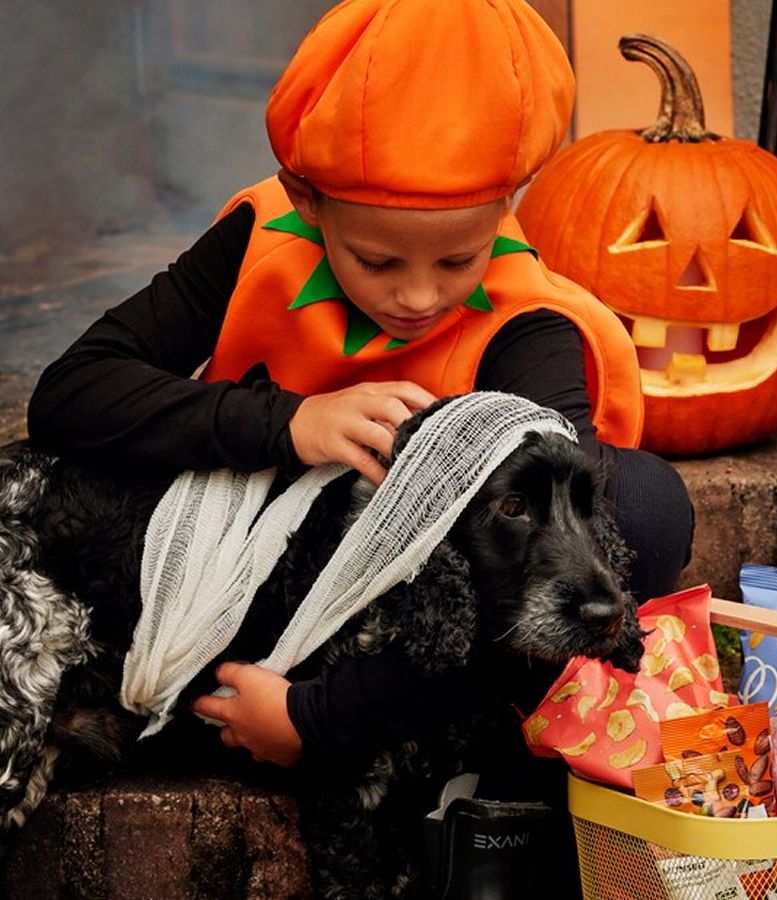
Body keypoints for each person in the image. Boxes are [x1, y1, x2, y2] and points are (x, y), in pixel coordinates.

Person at [26, 0, 693, 771]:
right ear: (308, 200)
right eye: (377, 261)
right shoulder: (262, 237)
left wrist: (319, 718)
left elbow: (567, 540)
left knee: (640, 508)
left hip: (407, 634)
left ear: (505, 209)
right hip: (242, 581)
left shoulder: (531, 325)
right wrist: (288, 422)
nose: (417, 297)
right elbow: (70, 393)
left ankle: (401, 719)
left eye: (457, 261)